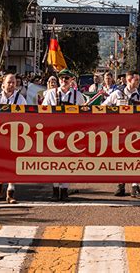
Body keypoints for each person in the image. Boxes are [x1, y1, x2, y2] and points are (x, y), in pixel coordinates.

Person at [102, 71, 140, 199]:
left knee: (136, 160)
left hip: (136, 133)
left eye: (139, 80)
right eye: (136, 80)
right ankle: (121, 184)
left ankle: (135, 186)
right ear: (128, 80)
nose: (138, 82)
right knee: (121, 159)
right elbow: (103, 107)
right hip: (120, 133)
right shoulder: (117, 94)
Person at [43, 68, 85, 201]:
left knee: (68, 162)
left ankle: (64, 189)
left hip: (71, 134)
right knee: (55, 162)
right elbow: (44, 111)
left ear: (72, 80)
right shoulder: (50, 94)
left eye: (66, 78)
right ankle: (55, 189)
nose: (63, 80)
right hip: (54, 133)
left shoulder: (77, 95)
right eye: (61, 78)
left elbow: (84, 114)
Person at [0, 74, 27, 204]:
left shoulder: (20, 99)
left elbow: (26, 117)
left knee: (12, 164)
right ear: (3, 84)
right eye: (9, 82)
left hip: (14, 135)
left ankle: (10, 192)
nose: (12, 85)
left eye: (14, 82)